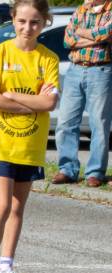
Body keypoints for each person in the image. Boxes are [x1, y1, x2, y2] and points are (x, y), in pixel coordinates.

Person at [0, 0, 60, 273]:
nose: (28, 28)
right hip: (1, 145)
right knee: (0, 207)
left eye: (35, 22)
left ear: (44, 22)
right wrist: (19, 98)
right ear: (12, 19)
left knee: (17, 209)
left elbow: (49, 103)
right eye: (22, 21)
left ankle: (5, 270)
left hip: (30, 146)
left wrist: (10, 95)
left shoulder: (48, 59)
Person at [51, 0, 112, 188]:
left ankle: (95, 173)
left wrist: (82, 34)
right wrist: (96, 38)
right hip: (74, 69)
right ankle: (67, 170)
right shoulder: (80, 10)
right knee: (66, 122)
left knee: (99, 124)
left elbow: (107, 33)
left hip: (100, 71)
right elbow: (67, 40)